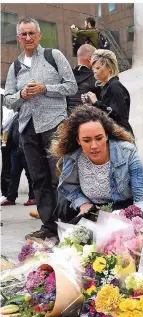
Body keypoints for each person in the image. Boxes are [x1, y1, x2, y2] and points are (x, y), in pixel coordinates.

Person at [4, 18, 78, 240]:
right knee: (39, 179)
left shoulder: (53, 56)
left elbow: (71, 86)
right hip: (27, 128)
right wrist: (21, 95)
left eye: (31, 33)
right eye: (23, 34)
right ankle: (48, 227)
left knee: (59, 177)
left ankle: (65, 224)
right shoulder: (15, 66)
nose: (28, 38)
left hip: (54, 124)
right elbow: (7, 100)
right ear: (18, 38)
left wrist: (46, 88)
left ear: (39, 36)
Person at [53, 106, 143, 222]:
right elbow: (70, 188)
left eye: (99, 138)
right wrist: (82, 203)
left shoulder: (128, 152)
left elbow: (141, 197)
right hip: (90, 210)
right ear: (78, 140)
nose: (94, 146)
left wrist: (139, 222)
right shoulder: (72, 156)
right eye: (87, 140)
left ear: (106, 135)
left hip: (124, 210)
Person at [84, 49, 133, 134]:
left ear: (109, 67)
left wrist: (96, 102)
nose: (95, 71)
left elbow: (117, 116)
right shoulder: (106, 87)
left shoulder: (115, 86)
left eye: (98, 68)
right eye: (93, 69)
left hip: (121, 138)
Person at [1, 112, 35, 207]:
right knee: (13, 174)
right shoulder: (16, 116)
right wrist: (8, 148)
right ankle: (11, 198)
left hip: (27, 150)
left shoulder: (31, 117)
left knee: (30, 175)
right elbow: (11, 131)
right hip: (15, 150)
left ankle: (33, 197)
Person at [67, 44, 101, 114]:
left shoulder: (66, 77)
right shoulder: (96, 78)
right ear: (90, 59)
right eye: (96, 58)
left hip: (68, 119)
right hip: (87, 119)